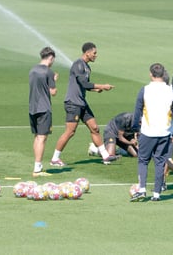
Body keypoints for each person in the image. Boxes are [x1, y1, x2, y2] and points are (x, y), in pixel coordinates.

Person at [50, 42, 119, 166]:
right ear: (87, 53)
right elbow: (84, 83)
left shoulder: (87, 67)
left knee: (95, 128)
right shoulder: (78, 65)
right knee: (70, 132)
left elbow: (86, 86)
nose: (96, 55)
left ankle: (105, 156)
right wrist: (102, 85)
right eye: (94, 53)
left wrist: (95, 89)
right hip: (73, 103)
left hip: (82, 103)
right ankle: (55, 158)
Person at [130, 63, 173, 202]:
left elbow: (137, 111)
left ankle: (142, 190)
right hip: (165, 132)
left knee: (143, 160)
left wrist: (135, 129)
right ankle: (157, 194)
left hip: (148, 131)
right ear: (163, 74)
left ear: (151, 74)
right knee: (160, 162)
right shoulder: (171, 91)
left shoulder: (145, 90)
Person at [29, 47, 59, 177]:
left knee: (37, 136)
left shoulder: (33, 70)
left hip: (32, 107)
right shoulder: (48, 72)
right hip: (44, 108)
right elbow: (53, 92)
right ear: (50, 58)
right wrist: (54, 81)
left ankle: (36, 165)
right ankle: (38, 168)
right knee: (42, 137)